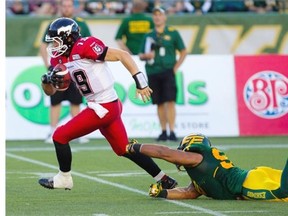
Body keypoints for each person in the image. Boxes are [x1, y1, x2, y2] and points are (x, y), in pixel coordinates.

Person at [38, 17, 178, 191]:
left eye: (57, 41)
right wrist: (46, 81)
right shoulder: (59, 59)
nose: (55, 46)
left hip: (103, 106)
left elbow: (122, 54)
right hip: (105, 105)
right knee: (123, 148)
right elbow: (53, 91)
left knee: (59, 136)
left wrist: (140, 81)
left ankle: (64, 178)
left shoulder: (85, 46)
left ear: (68, 38)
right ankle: (165, 179)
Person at [126, 133, 288, 201]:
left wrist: (136, 147)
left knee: (283, 193)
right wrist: (162, 193)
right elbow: (188, 192)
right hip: (255, 175)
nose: (179, 152)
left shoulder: (196, 157)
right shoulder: (199, 171)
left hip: (249, 185)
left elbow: (164, 152)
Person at [40, 0, 91, 144]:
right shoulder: (54, 24)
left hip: (74, 67)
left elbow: (88, 42)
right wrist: (48, 67)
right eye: (64, 5)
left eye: (69, 5)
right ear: (60, 7)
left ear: (73, 8)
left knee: (76, 101)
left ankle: (79, 132)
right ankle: (53, 130)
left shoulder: (81, 23)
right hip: (58, 66)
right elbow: (44, 45)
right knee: (55, 101)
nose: (67, 8)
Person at [139, 7, 187, 142]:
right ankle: (163, 131)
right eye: (155, 15)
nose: (157, 17)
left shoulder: (173, 33)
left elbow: (183, 51)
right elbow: (141, 55)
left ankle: (172, 131)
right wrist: (146, 56)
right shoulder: (148, 35)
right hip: (153, 71)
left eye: (160, 15)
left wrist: (175, 68)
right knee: (159, 102)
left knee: (170, 101)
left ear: (165, 17)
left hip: (167, 70)